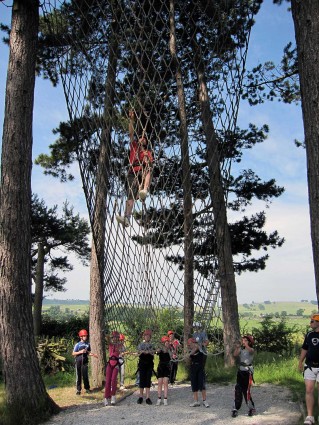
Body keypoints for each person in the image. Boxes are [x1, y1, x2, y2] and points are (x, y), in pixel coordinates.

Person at [116, 110, 154, 227]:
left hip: (142, 170)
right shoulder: (134, 146)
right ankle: (127, 217)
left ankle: (144, 190)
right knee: (130, 196)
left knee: (148, 169)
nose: (142, 138)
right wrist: (131, 120)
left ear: (146, 141)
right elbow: (131, 133)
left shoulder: (148, 152)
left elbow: (150, 164)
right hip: (133, 171)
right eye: (141, 137)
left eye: (144, 138)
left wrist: (147, 159)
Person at [298, 313, 319, 425]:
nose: (310, 323)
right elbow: (305, 348)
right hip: (310, 366)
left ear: (318, 322)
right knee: (309, 390)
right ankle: (310, 416)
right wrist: (300, 361)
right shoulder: (309, 334)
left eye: (312, 321)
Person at [231, 335, 256, 418]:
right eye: (243, 340)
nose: (244, 341)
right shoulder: (241, 350)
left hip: (247, 372)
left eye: (245, 340)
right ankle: (235, 408)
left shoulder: (251, 349)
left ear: (249, 342)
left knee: (246, 391)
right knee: (238, 389)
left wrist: (246, 344)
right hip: (240, 372)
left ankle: (251, 408)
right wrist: (238, 347)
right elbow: (235, 354)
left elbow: (251, 351)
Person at [72, 329, 98, 395]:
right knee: (79, 376)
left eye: (86, 336)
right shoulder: (77, 345)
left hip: (85, 362)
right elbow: (73, 353)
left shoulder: (88, 344)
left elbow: (88, 352)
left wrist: (93, 355)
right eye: (84, 336)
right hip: (78, 362)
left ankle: (87, 388)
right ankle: (78, 390)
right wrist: (80, 352)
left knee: (85, 376)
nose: (86, 337)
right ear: (81, 337)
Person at [187, 337, 210, 408]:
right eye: (189, 344)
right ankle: (196, 401)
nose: (190, 345)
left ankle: (204, 400)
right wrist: (193, 350)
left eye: (191, 344)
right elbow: (188, 358)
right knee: (194, 384)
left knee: (202, 384)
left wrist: (200, 344)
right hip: (193, 368)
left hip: (200, 367)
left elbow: (207, 342)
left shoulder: (201, 349)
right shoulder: (190, 351)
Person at [137, 329, 155, 405]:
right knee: (142, 379)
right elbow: (138, 352)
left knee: (148, 379)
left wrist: (150, 352)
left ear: (150, 337)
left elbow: (154, 352)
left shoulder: (152, 345)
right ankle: (141, 396)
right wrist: (144, 352)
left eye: (148, 336)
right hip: (142, 364)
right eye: (146, 335)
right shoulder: (140, 345)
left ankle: (147, 397)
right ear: (144, 337)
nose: (147, 337)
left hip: (149, 364)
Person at [104, 331, 121, 406]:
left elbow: (123, 350)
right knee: (107, 381)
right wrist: (106, 334)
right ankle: (106, 397)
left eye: (116, 337)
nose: (115, 339)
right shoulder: (110, 344)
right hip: (110, 363)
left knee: (113, 380)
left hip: (116, 364)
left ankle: (113, 396)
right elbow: (108, 340)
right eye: (114, 337)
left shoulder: (120, 345)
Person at [156, 336, 171, 406]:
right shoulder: (160, 349)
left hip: (167, 367)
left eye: (167, 342)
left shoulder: (170, 349)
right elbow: (157, 351)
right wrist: (159, 349)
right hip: (161, 366)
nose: (167, 343)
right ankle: (159, 398)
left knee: (165, 382)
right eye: (165, 342)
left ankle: (165, 399)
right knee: (159, 382)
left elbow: (174, 354)